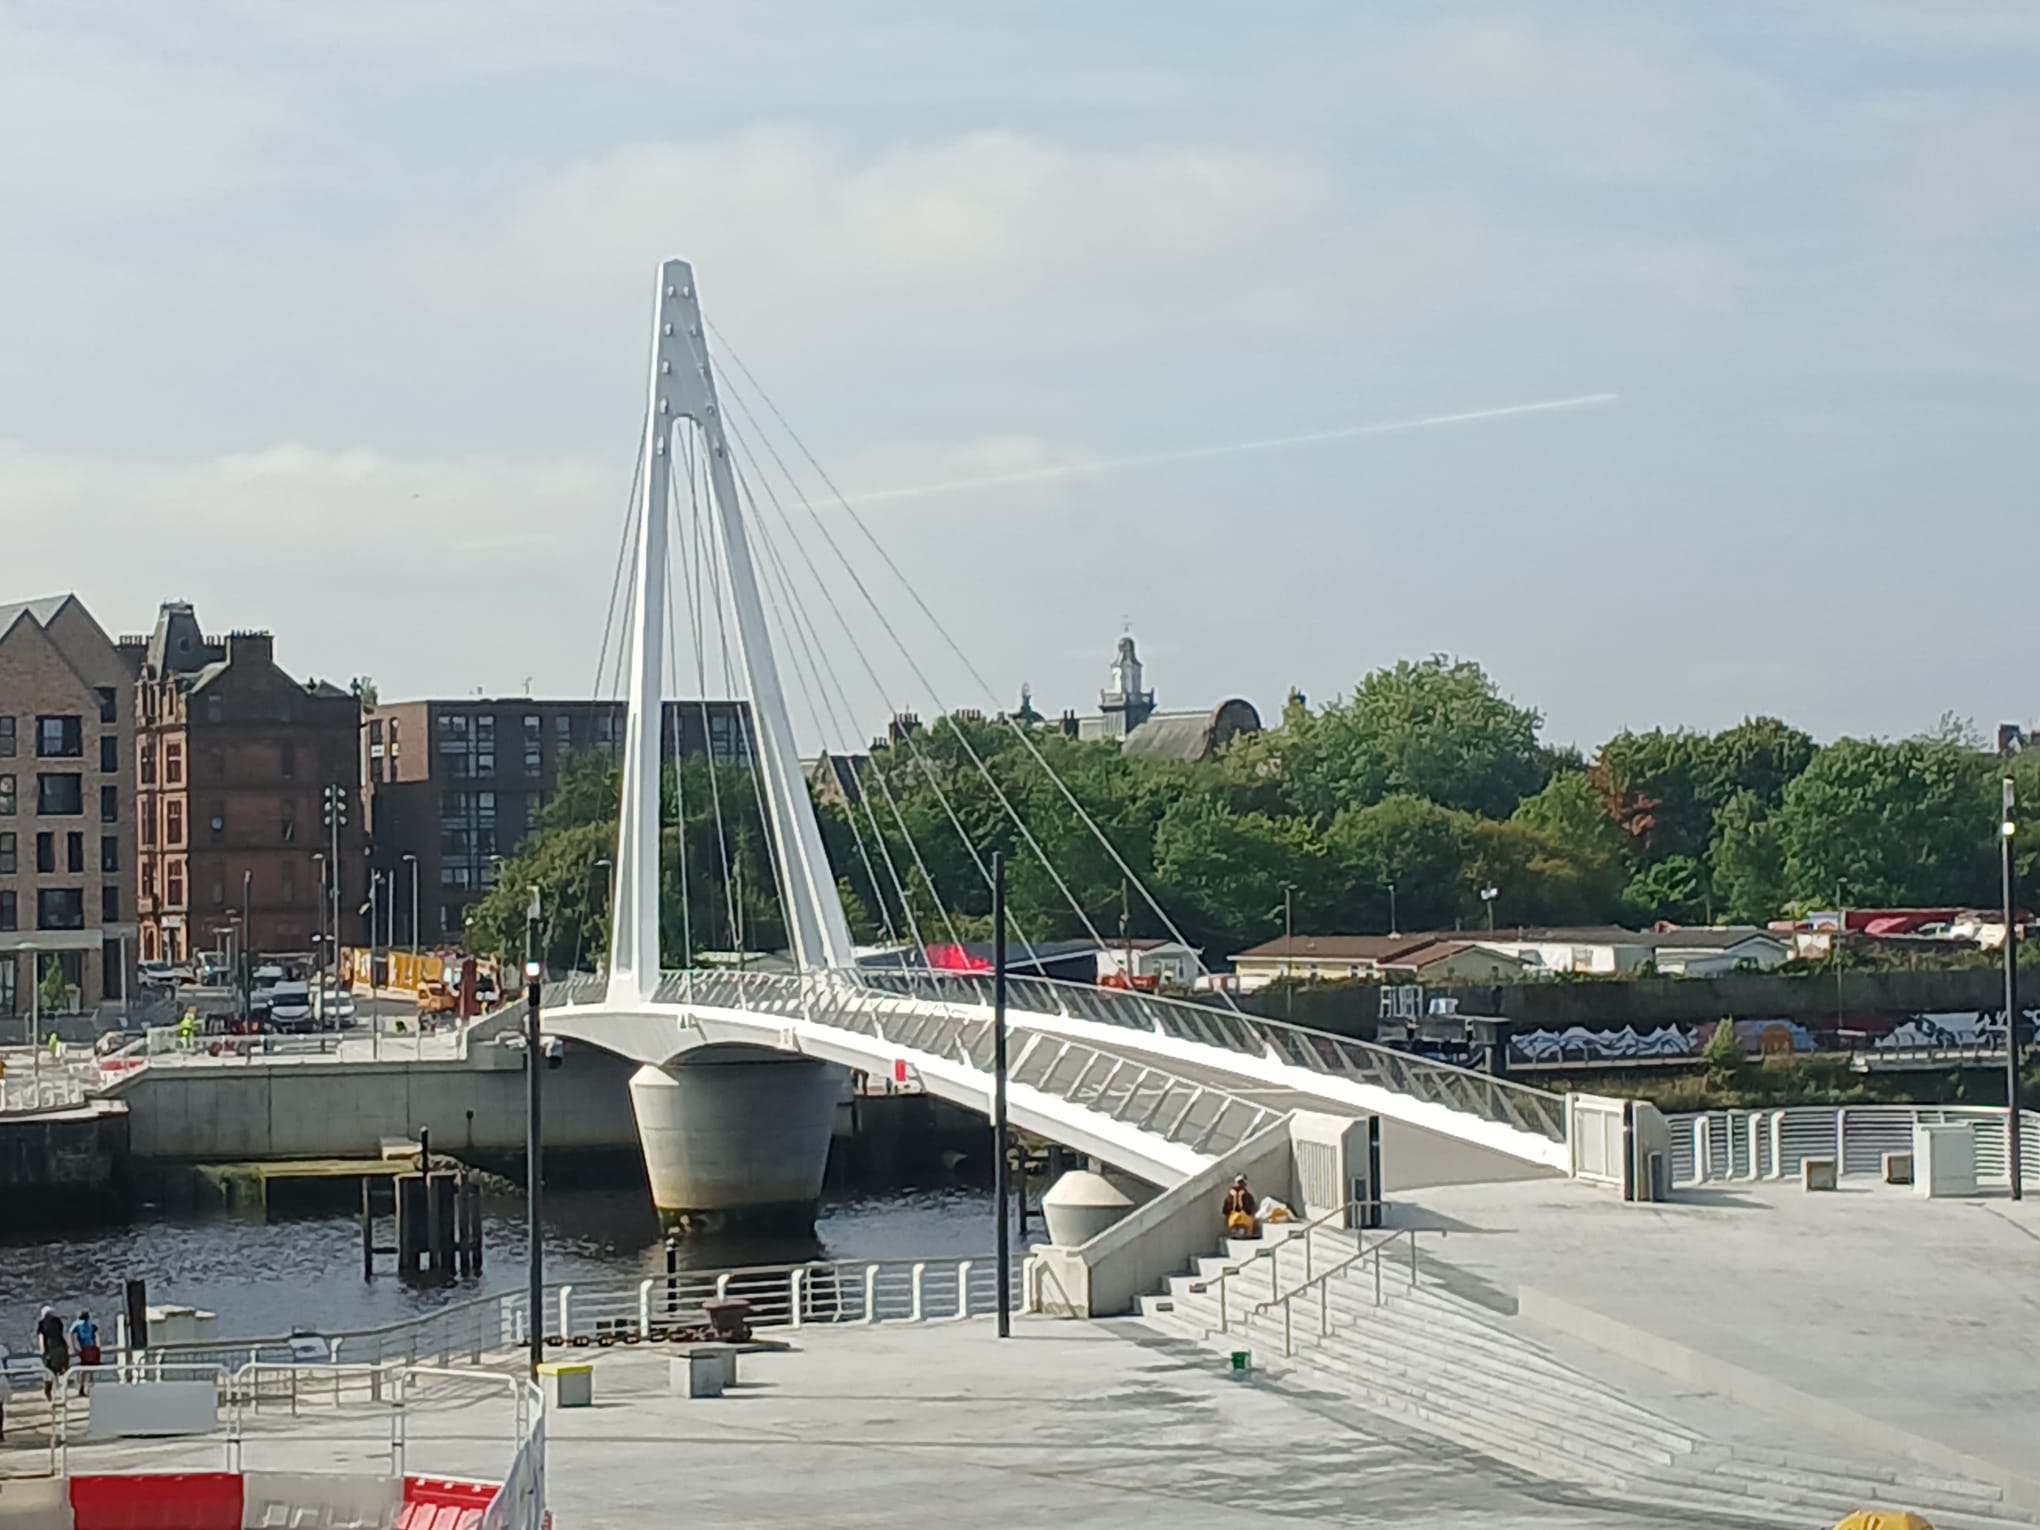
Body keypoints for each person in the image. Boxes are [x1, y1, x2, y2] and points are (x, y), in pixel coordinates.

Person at [35, 1306, 68, 1400]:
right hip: (61, 1347)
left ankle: (48, 1391)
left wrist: (42, 1350)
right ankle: (62, 1392)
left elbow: (41, 1337)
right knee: (62, 1370)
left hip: (50, 1348)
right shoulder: (58, 1321)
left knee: (49, 1370)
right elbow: (62, 1334)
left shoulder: (42, 1323)